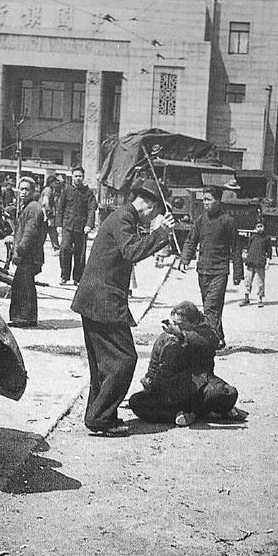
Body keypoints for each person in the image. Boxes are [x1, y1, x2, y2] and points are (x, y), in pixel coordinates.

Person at [70, 178, 176, 436]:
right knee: (124, 359)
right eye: (157, 213)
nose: (154, 217)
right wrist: (160, 232)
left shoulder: (122, 217)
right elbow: (131, 252)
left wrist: (154, 233)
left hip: (94, 299)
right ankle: (101, 418)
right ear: (150, 206)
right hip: (103, 301)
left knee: (103, 363)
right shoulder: (123, 219)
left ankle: (97, 415)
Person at [129, 301, 244, 427]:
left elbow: (210, 343)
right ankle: (190, 413)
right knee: (137, 402)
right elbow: (154, 367)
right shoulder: (165, 338)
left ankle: (189, 412)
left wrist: (181, 335)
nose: (174, 327)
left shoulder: (204, 334)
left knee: (225, 393)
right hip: (171, 394)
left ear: (193, 323)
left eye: (179, 324)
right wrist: (149, 381)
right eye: (173, 322)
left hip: (199, 388)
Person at [179, 185, 243, 348]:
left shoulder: (228, 221)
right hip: (203, 270)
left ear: (218, 201)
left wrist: (237, 272)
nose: (205, 203)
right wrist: (185, 259)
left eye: (209, 199)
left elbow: (236, 248)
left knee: (211, 308)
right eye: (204, 199)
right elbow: (191, 240)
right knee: (210, 307)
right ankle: (218, 337)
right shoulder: (200, 220)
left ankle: (208, 344)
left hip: (220, 271)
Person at [9, 176, 47, 326]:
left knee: (22, 286)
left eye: (27, 189)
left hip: (29, 256)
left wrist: (20, 252)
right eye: (21, 189)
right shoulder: (29, 207)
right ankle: (29, 318)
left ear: (33, 191)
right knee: (27, 285)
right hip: (30, 255)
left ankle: (22, 318)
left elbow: (29, 233)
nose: (23, 192)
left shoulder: (33, 208)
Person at [56, 166, 98, 285]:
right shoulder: (66, 191)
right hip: (67, 226)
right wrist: (58, 224)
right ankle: (64, 276)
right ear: (72, 177)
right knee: (64, 249)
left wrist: (89, 225)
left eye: (80, 176)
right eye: (76, 176)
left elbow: (91, 209)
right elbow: (60, 209)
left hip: (81, 228)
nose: (78, 178)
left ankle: (77, 278)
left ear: (83, 177)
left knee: (80, 253)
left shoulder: (88, 193)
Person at [239, 221, 271, 308]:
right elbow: (248, 248)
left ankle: (260, 299)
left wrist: (268, 263)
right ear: (255, 228)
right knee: (247, 281)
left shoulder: (267, 238)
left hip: (260, 263)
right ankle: (246, 298)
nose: (259, 228)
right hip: (251, 262)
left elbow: (269, 252)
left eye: (261, 226)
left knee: (260, 282)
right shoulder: (252, 237)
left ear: (264, 227)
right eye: (258, 226)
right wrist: (245, 257)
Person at [40, 174, 61, 251]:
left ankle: (56, 247)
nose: (56, 184)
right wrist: (49, 212)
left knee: (49, 231)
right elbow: (45, 202)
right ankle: (56, 247)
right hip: (46, 214)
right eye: (55, 182)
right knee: (50, 231)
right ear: (51, 183)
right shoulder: (48, 190)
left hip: (46, 214)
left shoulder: (50, 190)